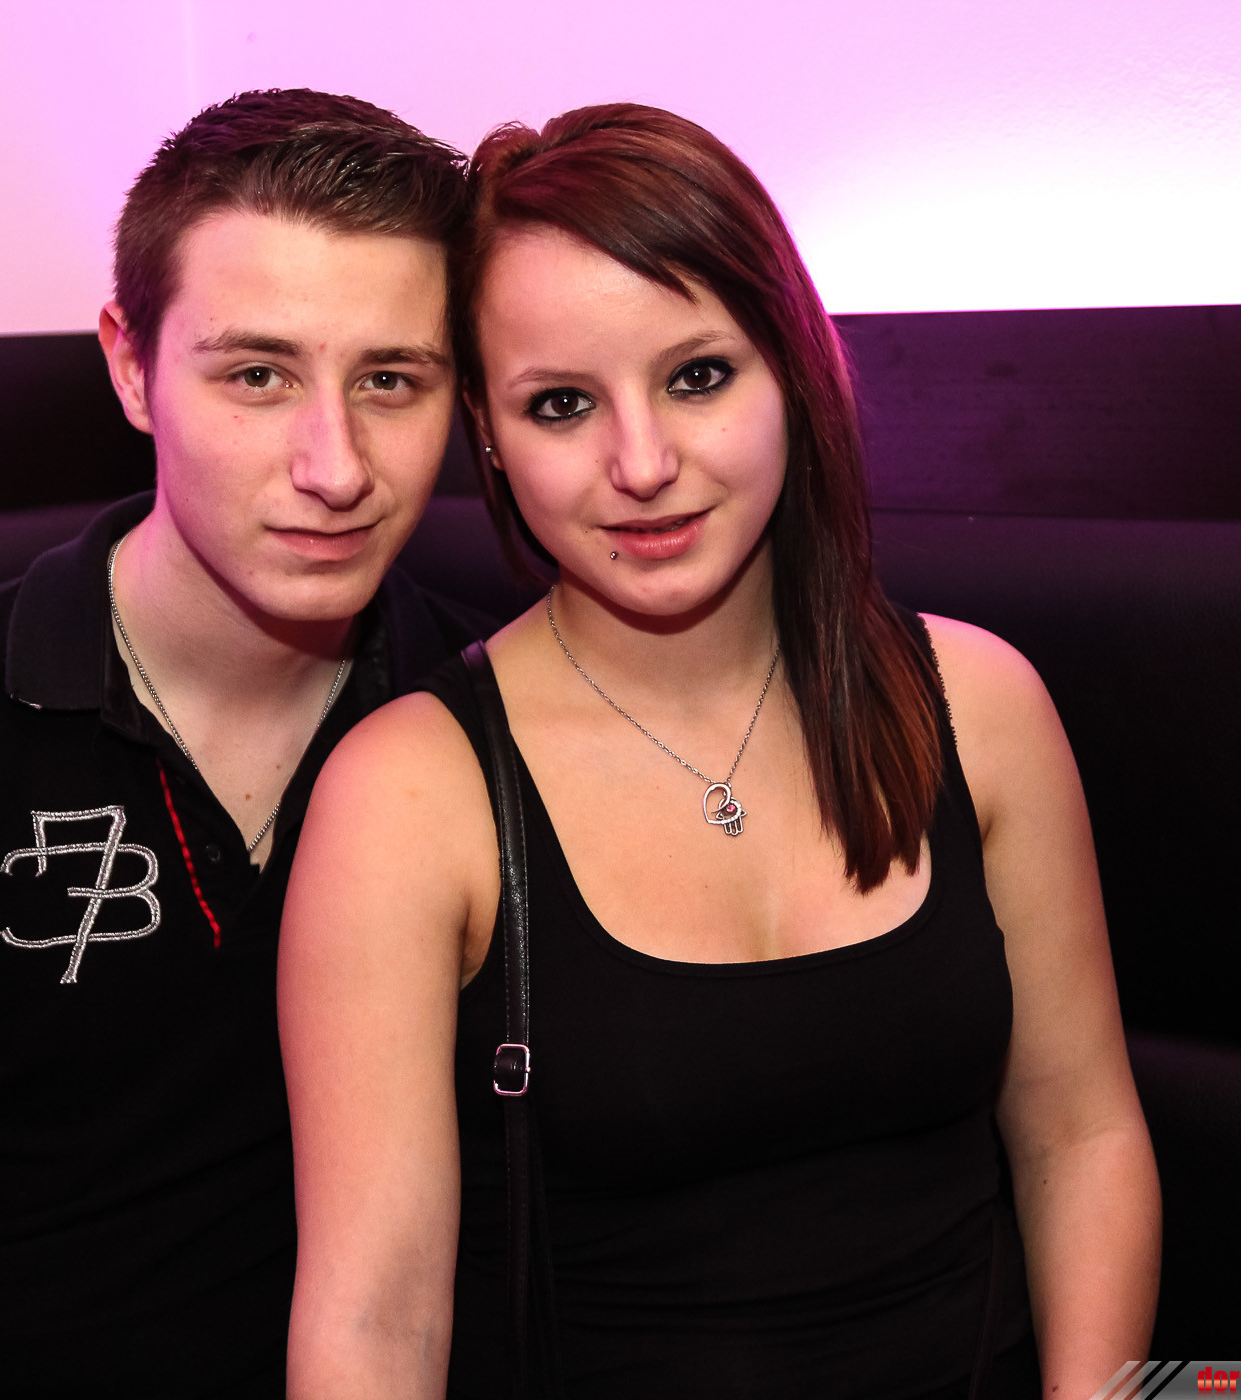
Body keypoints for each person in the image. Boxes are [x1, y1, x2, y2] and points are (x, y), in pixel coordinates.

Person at [280, 104, 1162, 1400]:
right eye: (562, 404)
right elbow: (374, 1321)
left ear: (793, 366)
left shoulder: (979, 707)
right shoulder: (408, 794)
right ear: (489, 434)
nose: (642, 465)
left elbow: (1080, 1139)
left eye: (697, 376)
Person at [0, 89, 487, 1398]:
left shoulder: (479, 715)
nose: (335, 466)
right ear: (130, 366)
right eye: (257, 375)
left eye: (390, 381)